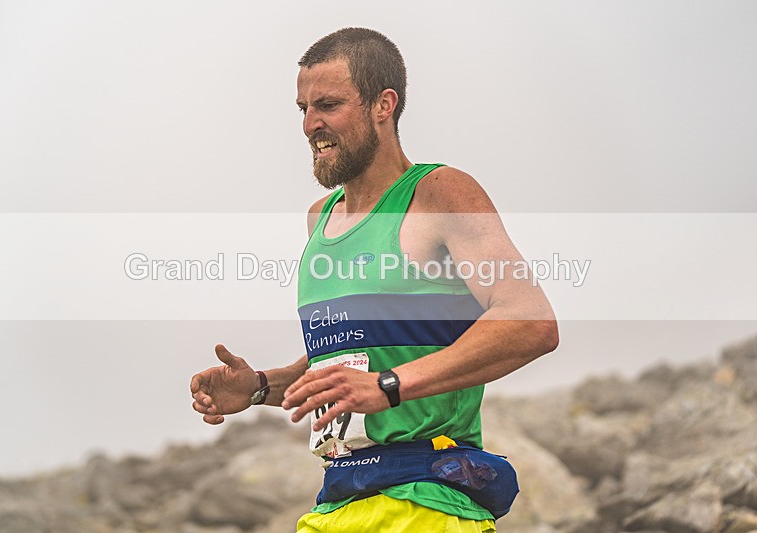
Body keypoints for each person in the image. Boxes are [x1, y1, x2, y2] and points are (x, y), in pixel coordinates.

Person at [191, 27, 558, 532]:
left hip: (427, 501)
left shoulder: (438, 192)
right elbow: (356, 360)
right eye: (302, 108)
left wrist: (388, 386)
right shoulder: (319, 218)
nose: (309, 124)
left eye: (328, 104)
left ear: (383, 104)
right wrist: (260, 387)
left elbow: (532, 322)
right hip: (338, 500)